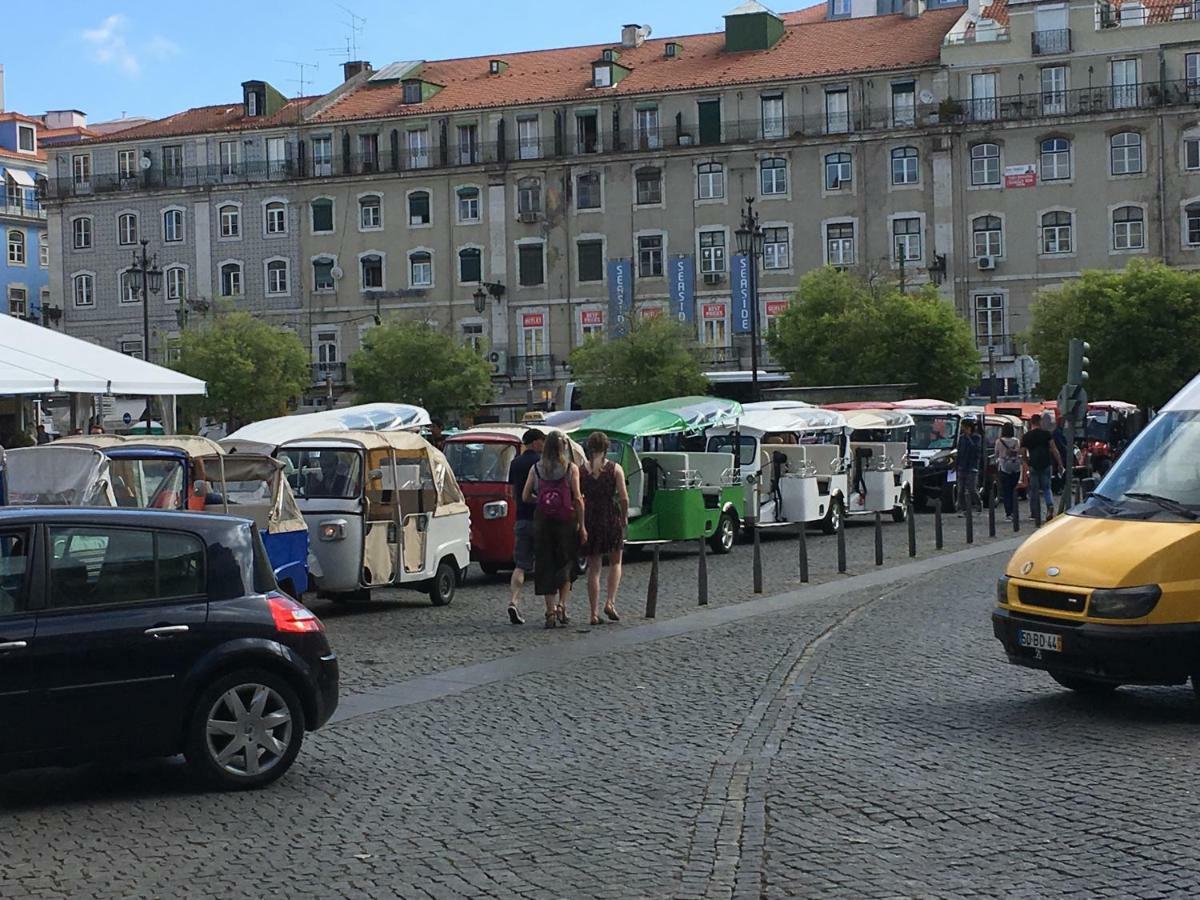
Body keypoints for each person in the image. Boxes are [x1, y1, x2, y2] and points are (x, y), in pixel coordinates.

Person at [522, 430, 586, 629]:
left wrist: (543, 500)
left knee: (545, 564)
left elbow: (525, 496)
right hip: (566, 520)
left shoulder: (536, 468)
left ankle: (549, 611)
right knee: (566, 563)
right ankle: (562, 605)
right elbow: (577, 498)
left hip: (542, 521)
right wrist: (582, 525)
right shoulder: (571, 468)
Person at [580, 431, 629, 626]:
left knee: (594, 568)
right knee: (616, 562)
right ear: (607, 448)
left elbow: (577, 496)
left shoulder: (581, 470)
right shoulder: (615, 469)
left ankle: (593, 612)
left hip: (590, 517)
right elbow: (624, 497)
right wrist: (624, 516)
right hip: (610, 515)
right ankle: (610, 602)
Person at [506, 428, 545, 625]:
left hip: (522, 518)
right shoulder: (541, 464)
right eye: (543, 441)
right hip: (542, 519)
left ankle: (514, 601)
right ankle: (553, 608)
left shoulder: (515, 463)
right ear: (536, 442)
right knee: (547, 563)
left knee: (520, 565)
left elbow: (513, 492)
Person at [1021, 414, 1063, 523]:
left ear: (1031, 422)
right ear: (1040, 422)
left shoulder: (1027, 436)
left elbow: (1022, 451)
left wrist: (1026, 461)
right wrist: (1060, 464)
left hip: (1033, 464)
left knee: (1033, 490)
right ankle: (1050, 505)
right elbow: (1054, 449)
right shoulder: (1046, 434)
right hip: (1046, 463)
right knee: (1047, 488)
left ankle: (1034, 513)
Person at [994, 421, 1022, 520]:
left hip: (1004, 467)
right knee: (1014, 489)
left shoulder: (999, 441)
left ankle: (1008, 513)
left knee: (1006, 491)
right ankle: (1015, 511)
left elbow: (996, 454)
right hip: (1015, 467)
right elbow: (1019, 452)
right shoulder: (1016, 441)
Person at [956, 418, 983, 514]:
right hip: (962, 466)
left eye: (964, 427)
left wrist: (968, 437)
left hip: (972, 466)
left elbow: (975, 450)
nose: (963, 429)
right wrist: (956, 464)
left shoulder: (977, 437)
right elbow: (959, 452)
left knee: (972, 488)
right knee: (961, 489)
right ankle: (964, 509)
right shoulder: (961, 438)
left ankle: (978, 503)